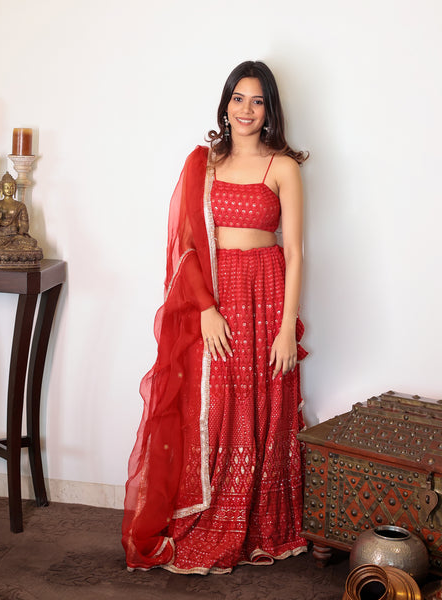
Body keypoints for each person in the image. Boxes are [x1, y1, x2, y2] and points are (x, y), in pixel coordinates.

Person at [122, 60, 309, 575]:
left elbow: (293, 251)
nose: (246, 110)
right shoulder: (202, 164)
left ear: (269, 110)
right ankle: (211, 516)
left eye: (257, 101)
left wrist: (287, 326)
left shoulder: (283, 168)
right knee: (217, 408)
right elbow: (185, 245)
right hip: (217, 299)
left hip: (267, 294)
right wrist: (205, 307)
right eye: (237, 99)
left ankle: (260, 522)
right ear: (225, 105)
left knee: (265, 401)